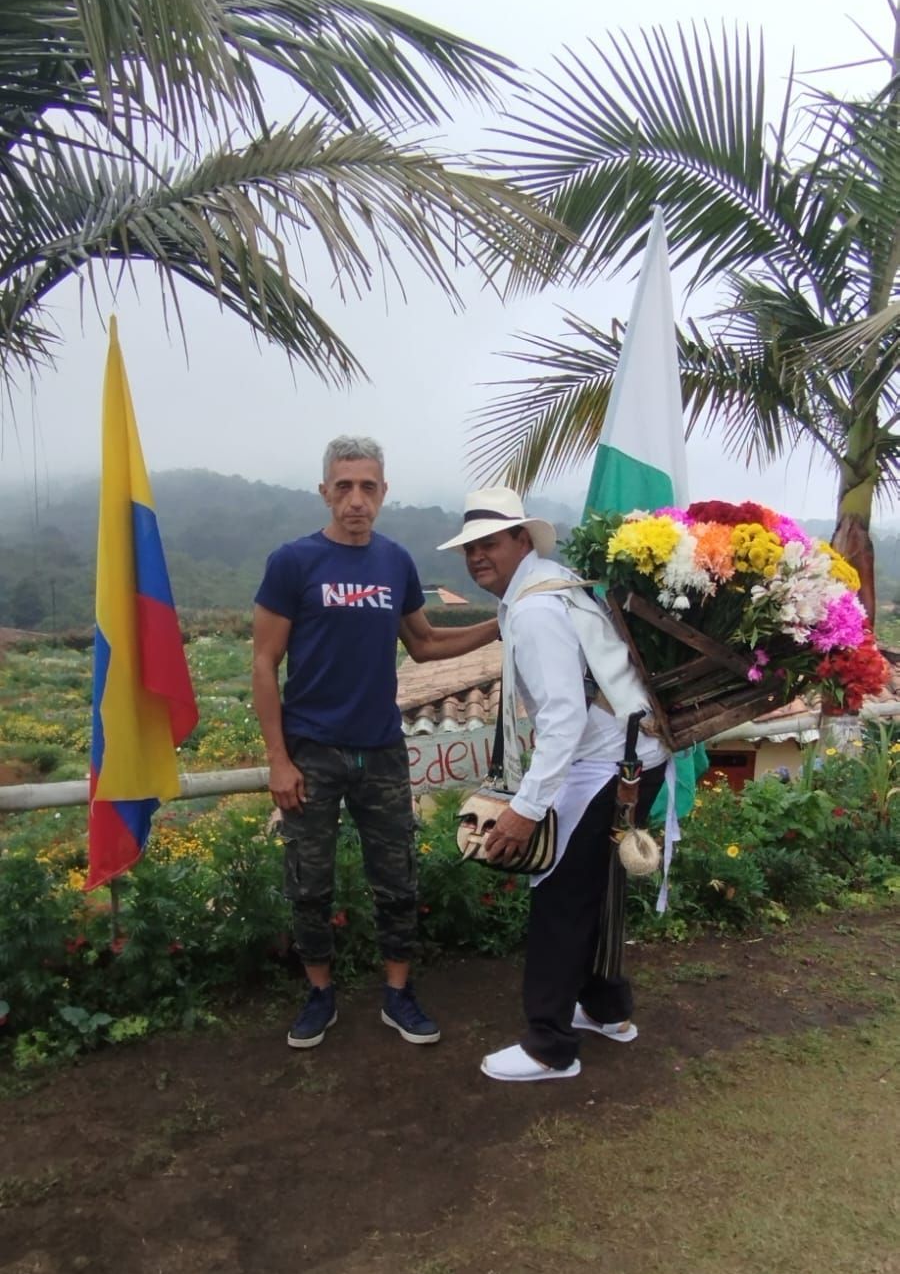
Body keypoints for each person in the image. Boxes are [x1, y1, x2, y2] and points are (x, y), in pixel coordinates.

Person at [253, 436, 500, 1052]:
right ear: (325, 492)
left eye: (368, 487)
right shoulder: (293, 563)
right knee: (308, 884)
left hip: (383, 750)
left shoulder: (394, 562)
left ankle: (397, 995)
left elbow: (425, 645)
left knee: (397, 880)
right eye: (344, 486)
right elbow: (263, 662)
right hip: (312, 751)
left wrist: (501, 624)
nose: (355, 499)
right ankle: (319, 995)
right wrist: (278, 760)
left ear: (384, 493)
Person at [438, 487, 670, 1083]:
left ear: (523, 540)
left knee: (560, 896)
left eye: (489, 544)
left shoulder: (536, 609)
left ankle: (549, 1046)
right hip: (630, 754)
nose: (477, 558)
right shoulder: (551, 585)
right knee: (593, 888)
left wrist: (526, 807)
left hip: (605, 764)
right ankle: (605, 1010)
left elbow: (563, 717)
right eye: (470, 548)